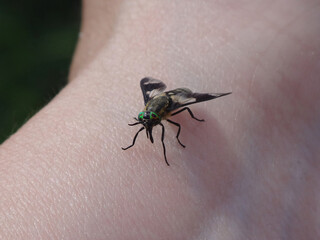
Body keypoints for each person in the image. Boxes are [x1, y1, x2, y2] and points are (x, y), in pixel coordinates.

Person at [1, 1, 319, 239]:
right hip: (164, 96)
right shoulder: (148, 113)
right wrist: (140, 127)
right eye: (146, 119)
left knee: (179, 125)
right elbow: (148, 100)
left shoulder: (165, 113)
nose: (147, 123)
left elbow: (169, 109)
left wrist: (179, 131)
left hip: (178, 98)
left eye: (148, 120)